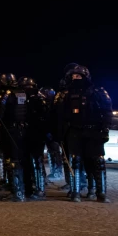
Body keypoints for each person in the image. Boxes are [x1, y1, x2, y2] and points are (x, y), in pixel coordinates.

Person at [56, 65, 113, 203]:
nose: (76, 78)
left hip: (94, 132)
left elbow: (107, 112)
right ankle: (75, 191)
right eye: (73, 76)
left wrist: (105, 130)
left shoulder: (98, 92)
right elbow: (59, 115)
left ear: (85, 76)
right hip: (75, 132)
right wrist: (60, 133)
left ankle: (99, 192)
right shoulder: (66, 94)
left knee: (97, 162)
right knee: (75, 161)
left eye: (78, 76)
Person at [0, 73, 27, 202]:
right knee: (16, 160)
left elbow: (0, 113)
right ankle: (17, 189)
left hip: (8, 129)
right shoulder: (21, 92)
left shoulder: (6, 94)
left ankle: (17, 192)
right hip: (20, 130)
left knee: (12, 161)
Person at [18, 76, 48, 200]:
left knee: (37, 161)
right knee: (24, 162)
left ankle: (40, 188)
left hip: (37, 133)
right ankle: (27, 187)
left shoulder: (41, 99)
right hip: (24, 133)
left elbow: (46, 117)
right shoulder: (19, 98)